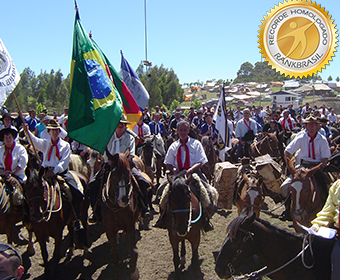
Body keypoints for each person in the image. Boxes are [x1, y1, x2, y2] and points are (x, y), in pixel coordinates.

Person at [87, 114, 150, 222]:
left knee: (142, 182)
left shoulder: (129, 137)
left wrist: (122, 162)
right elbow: (104, 152)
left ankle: (143, 207)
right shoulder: (108, 136)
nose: (120, 126)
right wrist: (110, 161)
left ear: (125, 126)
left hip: (126, 165)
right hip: (109, 165)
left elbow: (131, 154)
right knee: (93, 185)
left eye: (123, 125)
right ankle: (96, 210)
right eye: (118, 124)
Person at [154, 120, 213, 231]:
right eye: (180, 130)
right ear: (177, 131)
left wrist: (190, 170)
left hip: (194, 173)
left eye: (185, 130)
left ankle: (206, 219)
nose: (183, 132)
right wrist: (173, 169)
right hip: (177, 175)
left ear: (188, 131)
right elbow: (167, 163)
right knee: (161, 192)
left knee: (208, 192)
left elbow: (201, 161)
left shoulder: (196, 144)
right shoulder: (173, 146)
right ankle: (162, 218)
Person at [26, 119, 85, 230]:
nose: (54, 132)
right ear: (49, 132)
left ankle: (76, 218)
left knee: (74, 191)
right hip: (44, 171)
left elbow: (64, 162)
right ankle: (29, 218)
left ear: (59, 131)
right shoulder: (45, 143)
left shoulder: (65, 145)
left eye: (56, 130)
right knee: (31, 190)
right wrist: (27, 131)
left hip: (60, 172)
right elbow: (34, 142)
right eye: (52, 130)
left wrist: (54, 172)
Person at [280, 115, 331, 220]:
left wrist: (319, 167)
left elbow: (326, 158)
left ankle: (328, 212)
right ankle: (288, 211)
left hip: (317, 167)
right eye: (309, 125)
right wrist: (289, 165)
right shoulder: (301, 137)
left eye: (313, 125)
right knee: (285, 187)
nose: (311, 127)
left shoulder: (322, 139)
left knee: (329, 187)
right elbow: (287, 151)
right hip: (302, 166)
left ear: (317, 126)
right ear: (306, 126)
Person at [311, 176, 340, 280]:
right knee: (316, 247)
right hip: (337, 232)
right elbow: (328, 211)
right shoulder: (337, 185)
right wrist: (317, 225)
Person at [0, 128, 27, 206]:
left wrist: (11, 173)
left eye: (10, 137)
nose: (8, 139)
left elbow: (22, 164)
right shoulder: (1, 150)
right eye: (6, 137)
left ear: (13, 138)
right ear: (3, 139)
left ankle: (26, 211)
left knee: (25, 193)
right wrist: (4, 173)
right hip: (3, 175)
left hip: (18, 175)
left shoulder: (20, 149)